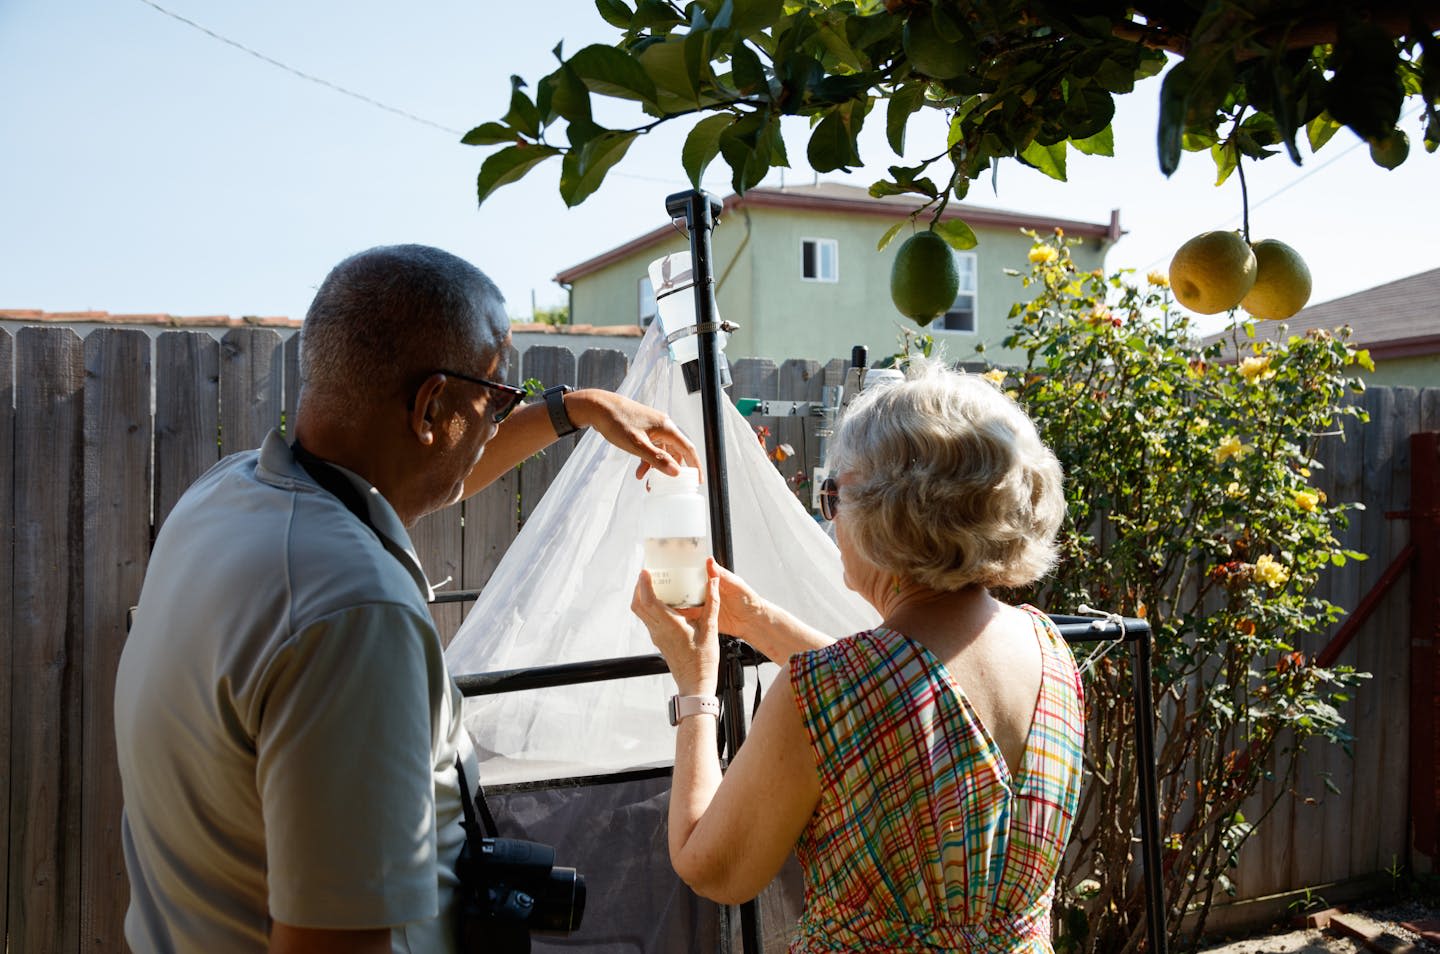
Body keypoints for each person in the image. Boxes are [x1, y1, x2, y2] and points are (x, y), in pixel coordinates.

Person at [114, 244, 698, 954]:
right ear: (428, 407)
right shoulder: (355, 611)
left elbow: (438, 467)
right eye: (494, 399)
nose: (493, 421)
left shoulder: (229, 498)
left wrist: (574, 409)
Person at [631, 359, 1085, 952]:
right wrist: (756, 619)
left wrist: (694, 682)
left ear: (886, 511)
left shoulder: (824, 690)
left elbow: (713, 868)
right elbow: (912, 706)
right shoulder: (1049, 650)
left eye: (831, 494)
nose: (831, 516)